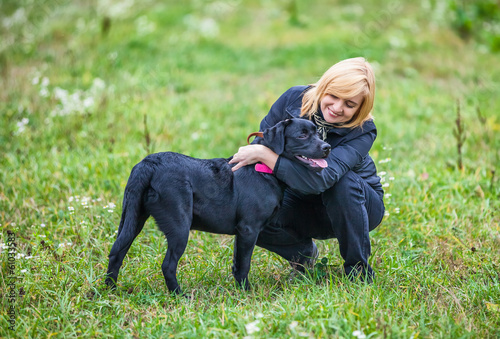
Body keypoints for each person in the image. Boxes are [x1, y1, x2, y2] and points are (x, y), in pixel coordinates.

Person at [229, 57, 385, 282]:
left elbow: (323, 179)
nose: (337, 108)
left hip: (355, 206)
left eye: (350, 104)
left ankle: (358, 272)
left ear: (361, 108)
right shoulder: (293, 99)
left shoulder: (363, 130)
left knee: (342, 182)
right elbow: (263, 144)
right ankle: (302, 254)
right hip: (299, 197)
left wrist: (265, 155)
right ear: (323, 87)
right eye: (333, 96)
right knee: (247, 212)